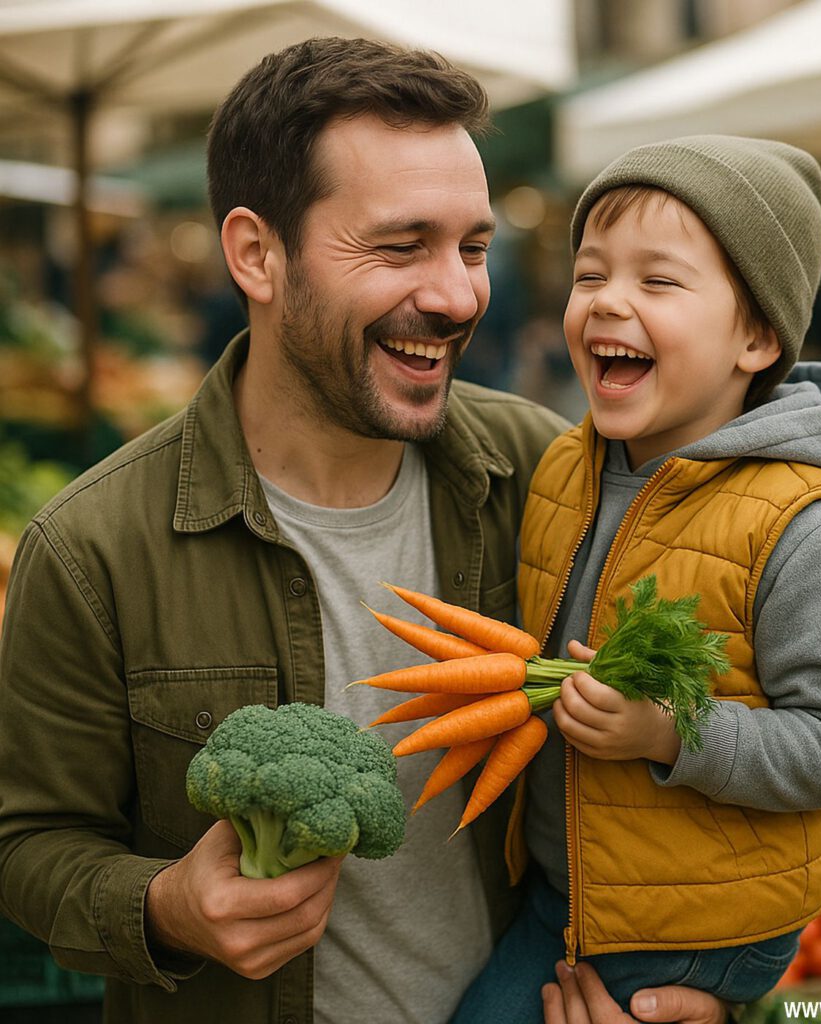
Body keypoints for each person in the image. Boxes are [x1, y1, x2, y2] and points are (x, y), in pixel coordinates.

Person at [0, 39, 732, 1024]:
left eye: (472, 247)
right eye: (400, 246)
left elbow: (692, 746)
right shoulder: (92, 549)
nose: (458, 294)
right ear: (257, 254)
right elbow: (30, 845)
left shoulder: (551, 472)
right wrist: (166, 905)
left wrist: (699, 993)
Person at [453, 136, 821, 1022]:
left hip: (695, 927)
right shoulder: (564, 469)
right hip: (578, 895)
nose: (609, 301)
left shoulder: (802, 523)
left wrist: (668, 733)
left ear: (757, 336)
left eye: (658, 282)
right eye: (590, 276)